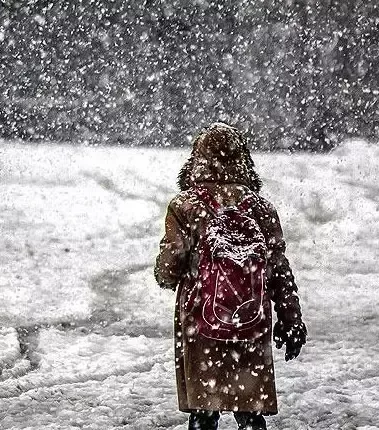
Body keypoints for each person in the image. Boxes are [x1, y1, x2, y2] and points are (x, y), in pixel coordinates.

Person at [154, 123, 307, 430]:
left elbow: (171, 263)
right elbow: (278, 268)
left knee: (204, 409)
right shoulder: (261, 208)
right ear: (242, 159)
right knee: (249, 409)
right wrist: (291, 319)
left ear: (197, 160)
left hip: (201, 318)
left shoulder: (185, 206)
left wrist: (166, 275)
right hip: (250, 317)